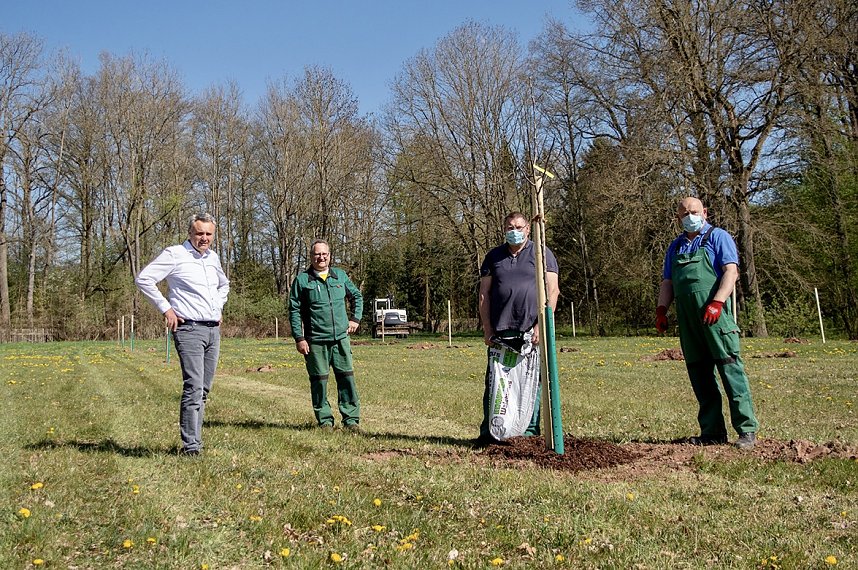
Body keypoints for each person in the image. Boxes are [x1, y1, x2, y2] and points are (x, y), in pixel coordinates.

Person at [656, 197, 759, 450]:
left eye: (693, 211)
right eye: (684, 213)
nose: (689, 216)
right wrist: (661, 310)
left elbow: (731, 271)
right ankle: (712, 431)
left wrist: (718, 302)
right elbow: (668, 282)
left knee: (730, 370)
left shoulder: (718, 237)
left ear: (704, 212)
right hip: (689, 321)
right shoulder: (676, 247)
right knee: (700, 375)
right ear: (677, 218)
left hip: (715, 316)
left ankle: (746, 430)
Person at [136, 213, 230, 456]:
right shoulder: (174, 254)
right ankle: (192, 446)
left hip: (213, 330)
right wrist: (166, 308)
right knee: (194, 387)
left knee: (204, 389)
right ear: (190, 233)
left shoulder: (213, 258)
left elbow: (224, 285)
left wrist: (218, 307)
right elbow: (144, 279)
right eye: (200, 233)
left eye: (209, 234)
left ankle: (195, 439)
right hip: (188, 329)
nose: (204, 238)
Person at [477, 212, 560, 444]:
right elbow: (484, 294)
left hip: (530, 330)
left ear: (527, 229)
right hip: (501, 331)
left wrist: (541, 325)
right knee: (495, 383)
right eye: (510, 226)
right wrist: (487, 328)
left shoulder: (542, 253)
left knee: (531, 384)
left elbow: (553, 291)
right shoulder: (494, 257)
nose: (514, 230)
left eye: (519, 226)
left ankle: (528, 435)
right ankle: (490, 433)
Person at [288, 239, 363, 431]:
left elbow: (356, 296)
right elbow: (294, 310)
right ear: (311, 257)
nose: (321, 257)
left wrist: (355, 319)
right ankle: (325, 421)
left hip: (340, 339)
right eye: (317, 254)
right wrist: (300, 338)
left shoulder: (340, 276)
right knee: (319, 382)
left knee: (346, 379)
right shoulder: (302, 281)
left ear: (329, 256)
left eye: (324, 254)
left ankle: (351, 420)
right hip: (315, 342)